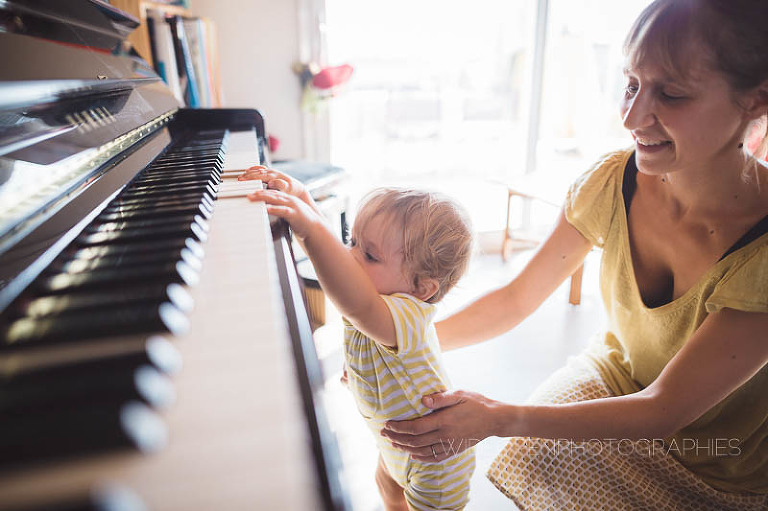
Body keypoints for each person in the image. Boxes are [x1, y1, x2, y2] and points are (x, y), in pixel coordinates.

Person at [375, 0, 768, 510]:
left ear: (756, 101)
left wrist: (497, 416)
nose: (631, 116)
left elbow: (663, 409)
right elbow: (517, 299)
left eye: (670, 94)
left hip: (717, 461)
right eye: (631, 84)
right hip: (615, 383)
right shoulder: (613, 180)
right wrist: (401, 347)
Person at [240, 169, 476, 511]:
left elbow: (358, 305)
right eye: (353, 242)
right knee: (387, 489)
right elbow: (351, 280)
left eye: (370, 255)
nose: (350, 256)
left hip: (436, 463)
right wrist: (304, 198)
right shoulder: (385, 300)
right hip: (398, 446)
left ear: (421, 288)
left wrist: (310, 229)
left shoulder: (409, 316)